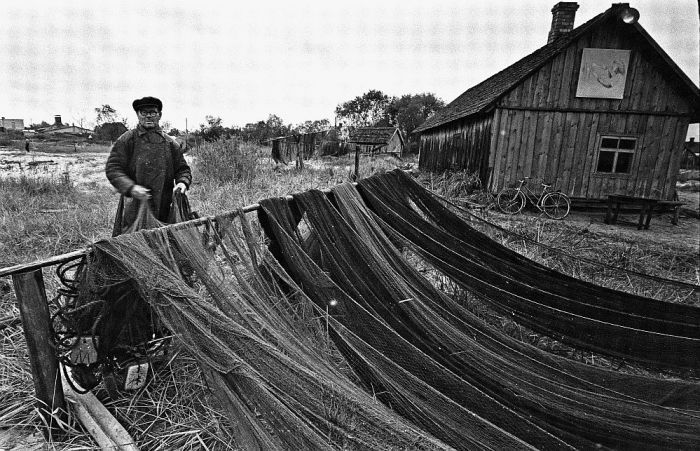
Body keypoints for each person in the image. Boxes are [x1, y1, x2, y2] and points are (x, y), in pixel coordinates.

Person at [105, 96, 191, 235]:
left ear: (159, 115)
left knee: (162, 236)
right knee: (134, 239)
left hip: (164, 199)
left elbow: (183, 169)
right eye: (144, 113)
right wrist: (131, 187)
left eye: (152, 112)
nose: (148, 116)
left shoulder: (170, 143)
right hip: (135, 202)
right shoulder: (127, 139)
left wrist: (182, 183)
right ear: (138, 115)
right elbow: (113, 168)